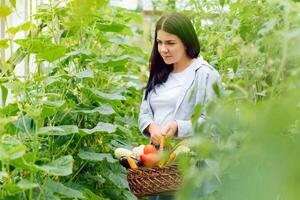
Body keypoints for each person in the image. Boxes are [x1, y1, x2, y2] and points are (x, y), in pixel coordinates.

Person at [138, 12, 221, 200]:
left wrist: (178, 127)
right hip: (158, 169)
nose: (163, 49)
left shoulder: (206, 75)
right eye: (159, 42)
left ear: (186, 41)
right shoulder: (158, 72)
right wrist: (152, 127)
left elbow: (213, 123)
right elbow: (144, 114)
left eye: (170, 43)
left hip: (190, 170)